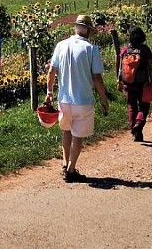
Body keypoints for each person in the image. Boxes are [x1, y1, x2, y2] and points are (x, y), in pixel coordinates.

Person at [46, 14, 110, 183]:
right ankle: (71, 169)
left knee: (66, 131)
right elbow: (97, 78)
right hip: (83, 100)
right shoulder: (91, 49)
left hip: (64, 99)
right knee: (78, 135)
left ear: (75, 28)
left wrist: (49, 92)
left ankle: (65, 163)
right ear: (88, 31)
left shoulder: (61, 45)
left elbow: (52, 71)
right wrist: (104, 99)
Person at [117, 26, 152, 142]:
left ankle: (134, 131)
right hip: (142, 83)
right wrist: (151, 81)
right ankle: (138, 124)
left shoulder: (125, 50)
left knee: (131, 106)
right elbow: (150, 67)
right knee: (144, 106)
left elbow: (120, 67)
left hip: (127, 83)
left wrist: (119, 80)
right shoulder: (144, 50)